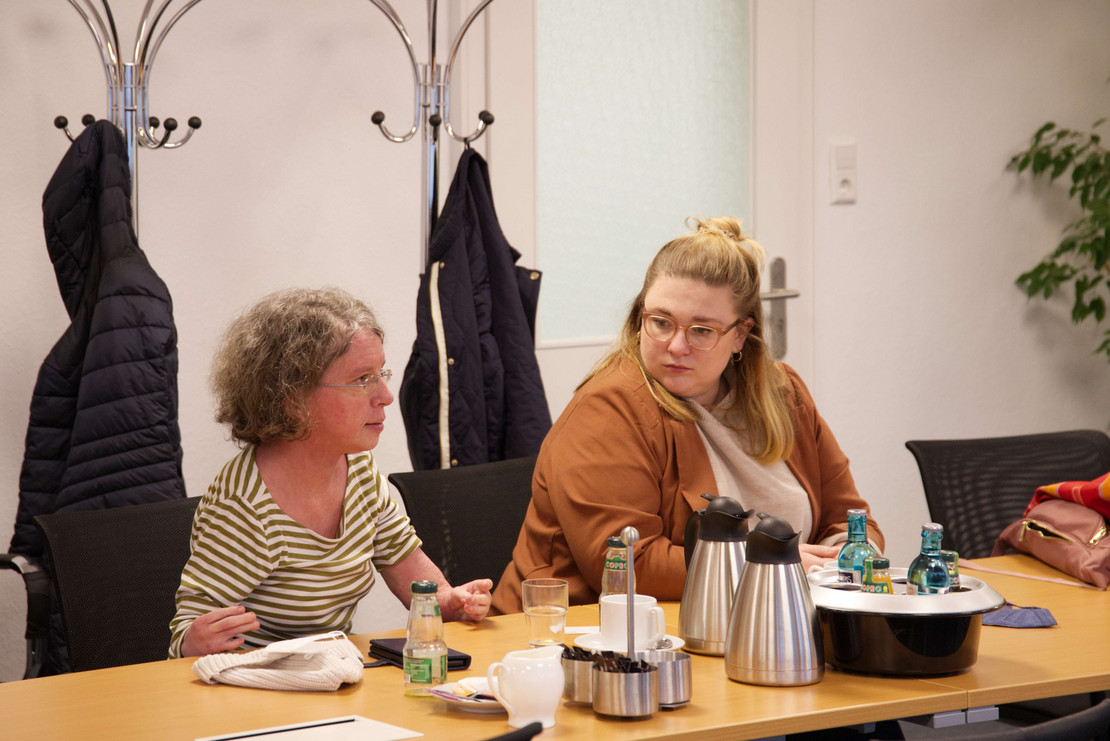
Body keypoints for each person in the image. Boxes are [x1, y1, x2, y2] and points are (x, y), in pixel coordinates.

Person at [491, 217, 884, 614]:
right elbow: (627, 564)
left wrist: (849, 559)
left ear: (739, 336)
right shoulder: (608, 409)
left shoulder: (785, 393)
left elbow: (850, 520)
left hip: (763, 621)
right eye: (661, 322)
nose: (676, 345)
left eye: (701, 331)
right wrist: (772, 563)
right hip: (577, 640)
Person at [169, 287, 492, 658]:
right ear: (292, 400)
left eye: (381, 373)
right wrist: (196, 640)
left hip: (329, 679)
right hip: (254, 688)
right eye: (361, 379)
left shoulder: (359, 471)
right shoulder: (246, 506)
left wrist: (452, 602)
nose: (386, 395)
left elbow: (421, 585)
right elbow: (186, 637)